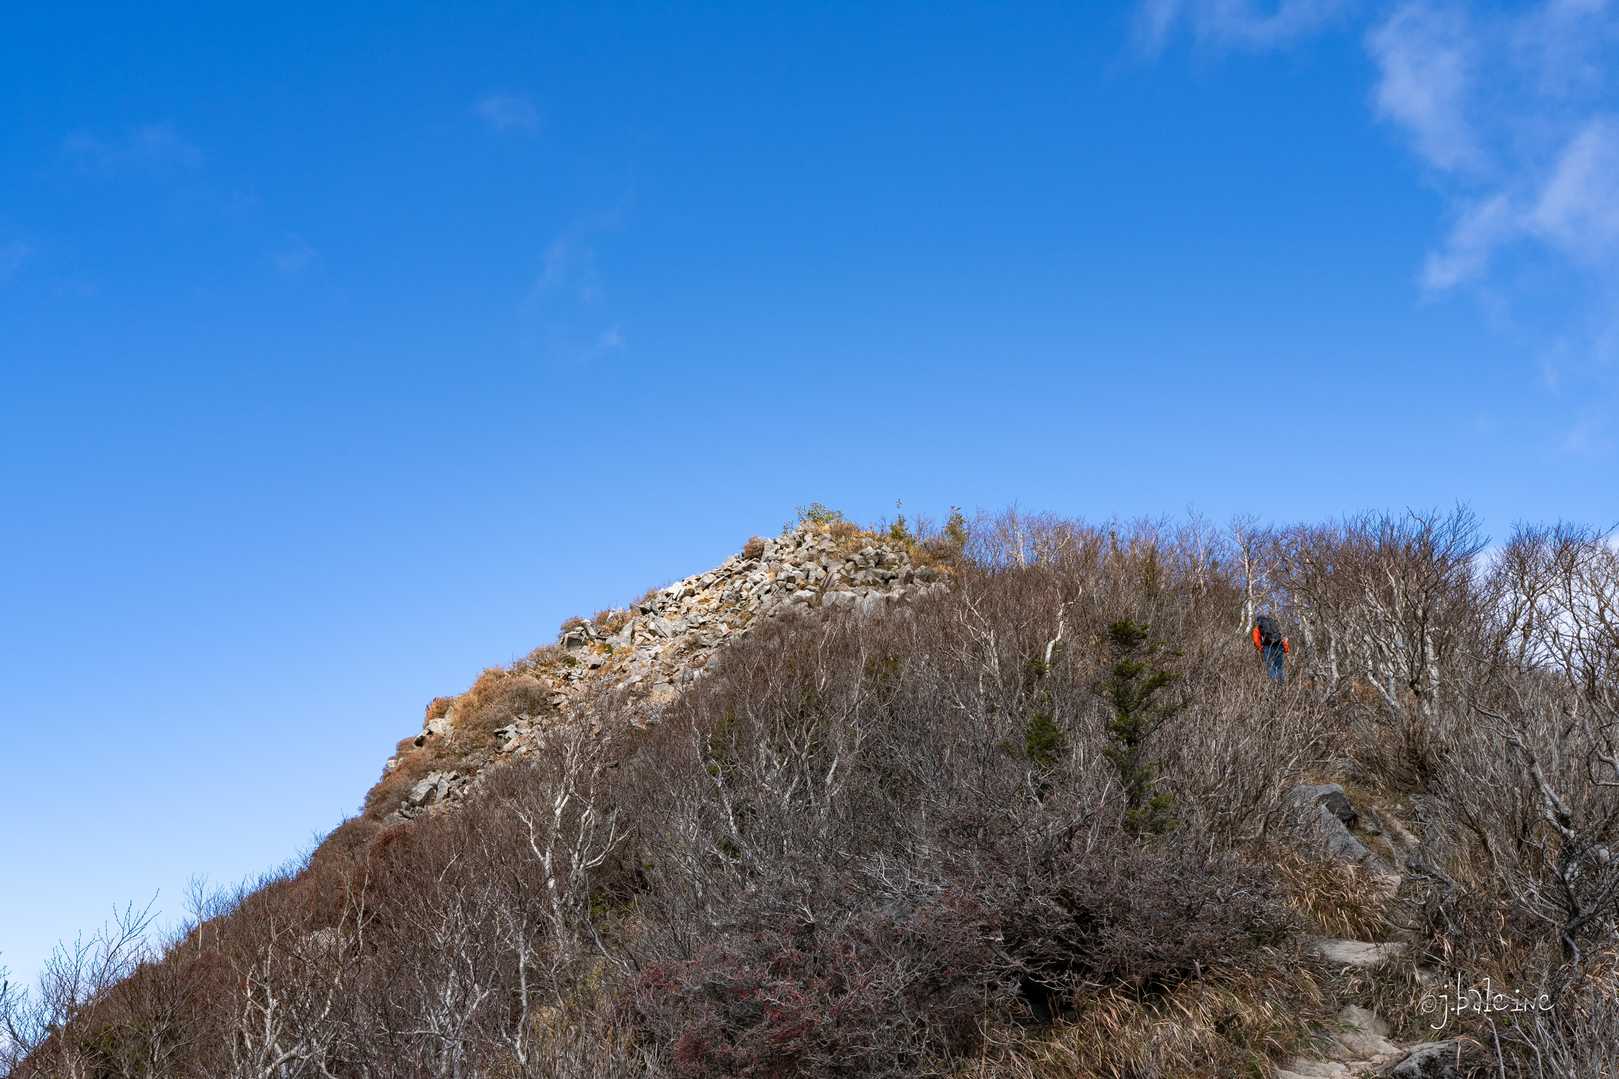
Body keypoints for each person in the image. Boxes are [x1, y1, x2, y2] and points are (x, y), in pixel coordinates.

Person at [1251, 614, 1289, 683]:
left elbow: (1256, 641)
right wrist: (1286, 648)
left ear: (1258, 621)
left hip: (1268, 647)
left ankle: (1274, 683)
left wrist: (1261, 648)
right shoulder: (1273, 625)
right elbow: (1282, 637)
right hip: (1279, 645)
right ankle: (1281, 683)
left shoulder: (1258, 628)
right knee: (1279, 667)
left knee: (1270, 666)